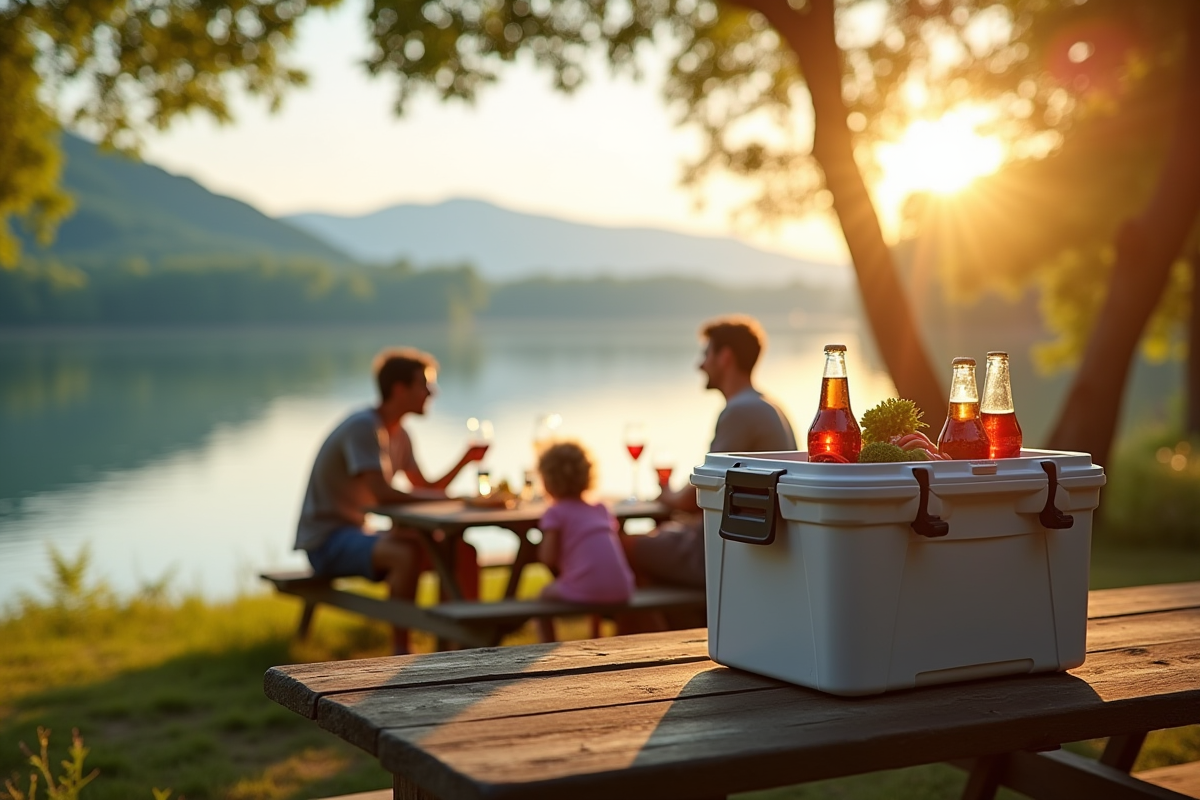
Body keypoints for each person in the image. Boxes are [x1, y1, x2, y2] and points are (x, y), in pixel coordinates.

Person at [294, 347, 484, 653]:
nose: (432, 392)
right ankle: (401, 650)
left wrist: (465, 460)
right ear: (400, 389)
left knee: (460, 549)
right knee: (405, 553)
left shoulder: (401, 434)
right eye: (425, 384)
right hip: (327, 540)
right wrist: (452, 500)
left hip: (360, 532)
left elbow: (424, 487)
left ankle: (460, 641)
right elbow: (383, 492)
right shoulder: (363, 428)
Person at [624, 315, 796, 619]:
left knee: (623, 547)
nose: (699, 364)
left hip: (729, 550)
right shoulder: (769, 406)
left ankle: (635, 647)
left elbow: (696, 497)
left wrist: (666, 495)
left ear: (725, 357)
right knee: (656, 540)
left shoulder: (740, 412)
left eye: (705, 354)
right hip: (759, 543)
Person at [535, 441, 635, 642]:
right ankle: (595, 636)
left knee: (543, 596)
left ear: (546, 480)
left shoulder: (555, 512)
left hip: (587, 588)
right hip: (623, 588)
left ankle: (547, 645)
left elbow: (547, 558)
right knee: (590, 577)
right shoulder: (600, 509)